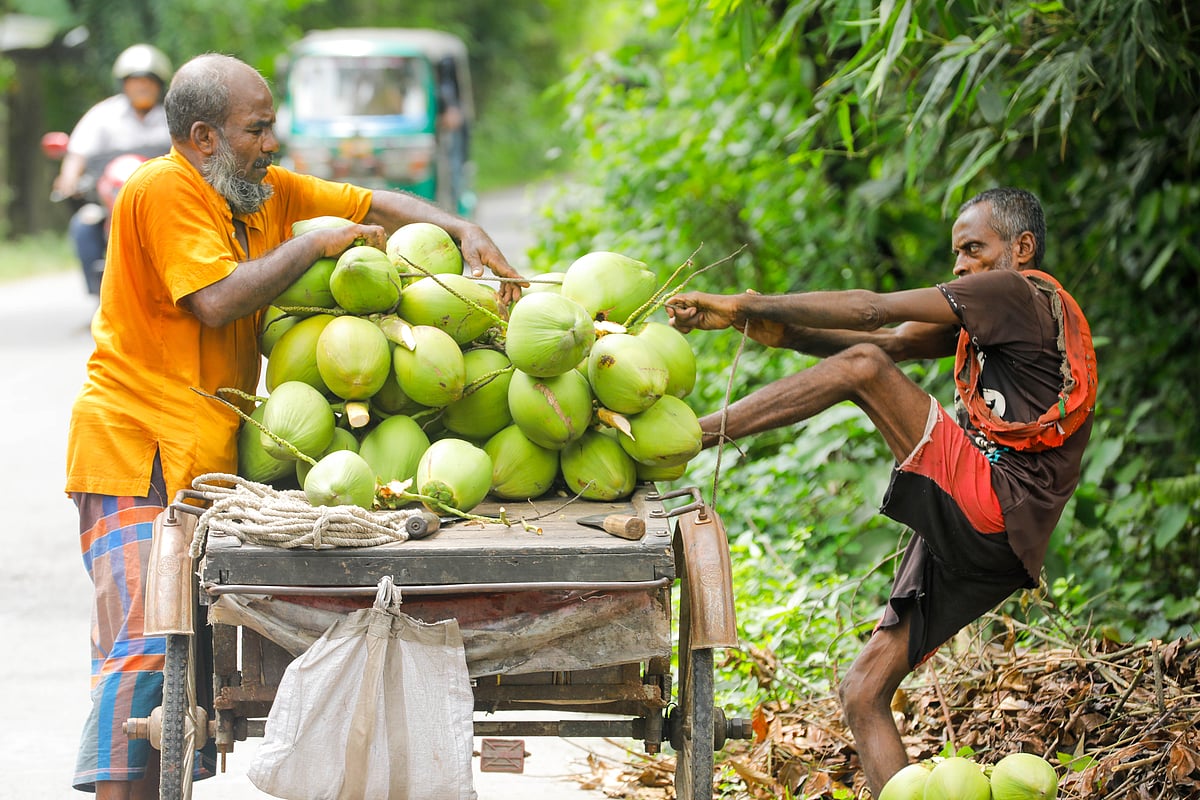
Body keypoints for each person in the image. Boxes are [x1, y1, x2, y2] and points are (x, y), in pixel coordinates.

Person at [63, 53, 525, 799]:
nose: (272, 143)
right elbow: (214, 301)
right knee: (148, 643)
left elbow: (367, 200)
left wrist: (459, 224)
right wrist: (312, 244)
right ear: (205, 136)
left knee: (180, 666)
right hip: (134, 447)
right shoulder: (163, 188)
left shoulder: (259, 194)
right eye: (259, 129)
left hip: (203, 459)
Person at [665, 188, 1096, 797]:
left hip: (995, 503)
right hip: (1001, 544)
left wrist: (739, 304)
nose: (961, 266)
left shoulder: (1017, 291)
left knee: (865, 367)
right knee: (864, 691)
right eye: (957, 255)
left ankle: (690, 437)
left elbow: (871, 318)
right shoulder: (990, 320)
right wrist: (777, 331)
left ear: (1020, 249)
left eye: (975, 249)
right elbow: (895, 342)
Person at [53, 44, 174, 294]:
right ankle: (97, 289)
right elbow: (77, 154)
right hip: (108, 201)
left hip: (161, 200)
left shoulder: (172, 118)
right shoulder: (102, 116)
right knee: (83, 224)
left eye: (149, 81)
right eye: (135, 81)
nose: (142, 87)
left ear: (159, 85)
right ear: (124, 84)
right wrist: (68, 179)